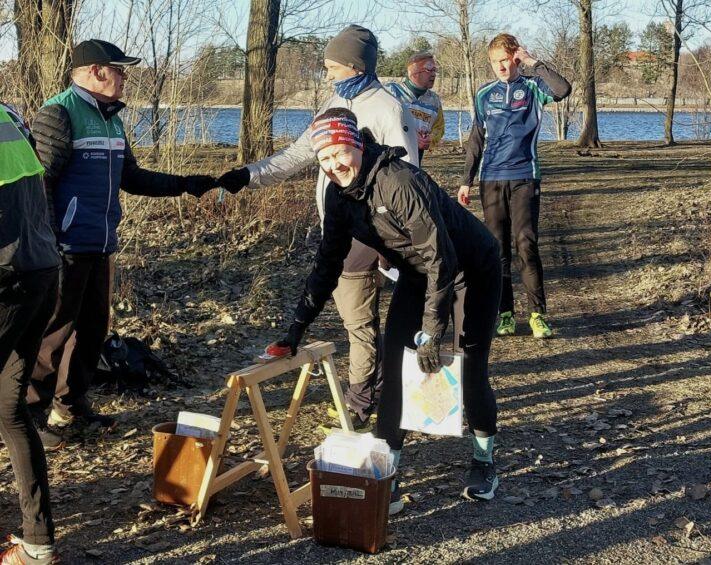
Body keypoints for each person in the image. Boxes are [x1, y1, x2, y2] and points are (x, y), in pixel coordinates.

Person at [274, 108, 502, 512]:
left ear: (356, 144)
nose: (333, 166)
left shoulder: (398, 182)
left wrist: (433, 331)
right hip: (419, 275)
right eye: (323, 159)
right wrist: (296, 330)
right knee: (396, 368)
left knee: (468, 366)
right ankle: (388, 473)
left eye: (339, 153)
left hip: (471, 268)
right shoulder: (337, 194)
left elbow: (441, 259)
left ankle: (484, 461)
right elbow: (328, 264)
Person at [218, 25, 418, 432]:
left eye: (331, 67)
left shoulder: (387, 109)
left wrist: (391, 242)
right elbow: (295, 156)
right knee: (359, 320)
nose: (326, 75)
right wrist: (247, 176)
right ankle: (376, 390)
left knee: (357, 323)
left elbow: (410, 176)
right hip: (340, 227)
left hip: (372, 234)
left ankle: (361, 404)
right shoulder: (334, 104)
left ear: (354, 65)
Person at [26, 39, 218, 446]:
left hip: (101, 242)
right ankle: (29, 416)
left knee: (93, 330)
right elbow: (39, 182)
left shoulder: (112, 119)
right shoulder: (59, 113)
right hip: (65, 246)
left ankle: (70, 407)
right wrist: (47, 242)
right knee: (53, 333)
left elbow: (131, 177)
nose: (126, 77)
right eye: (120, 69)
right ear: (97, 71)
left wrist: (185, 184)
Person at [458, 33, 571, 339]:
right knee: (497, 250)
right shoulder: (484, 95)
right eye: (496, 62)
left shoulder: (534, 88)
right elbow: (476, 140)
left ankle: (537, 314)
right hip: (491, 179)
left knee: (526, 244)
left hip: (524, 176)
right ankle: (504, 313)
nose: (501, 67)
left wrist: (535, 64)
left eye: (506, 59)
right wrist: (466, 180)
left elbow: (563, 89)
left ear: (516, 58)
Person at [0, 102, 61, 564]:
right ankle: (37, 545)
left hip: (6, 279)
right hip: (40, 271)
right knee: (8, 410)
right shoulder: (8, 113)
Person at [385, 51, 444, 164]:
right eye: (429, 70)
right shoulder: (391, 92)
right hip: (390, 158)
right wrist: (409, 135)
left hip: (415, 160)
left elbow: (439, 127)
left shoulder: (434, 101)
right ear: (413, 72)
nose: (433, 74)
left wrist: (430, 139)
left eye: (434, 70)